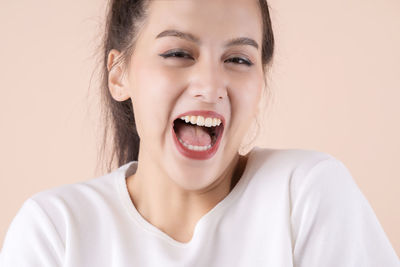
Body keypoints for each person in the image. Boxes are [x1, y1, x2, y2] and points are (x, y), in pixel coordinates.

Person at [1, 0, 399, 266]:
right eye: (178, 53)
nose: (210, 87)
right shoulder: (55, 231)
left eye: (239, 59)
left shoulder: (307, 193)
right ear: (119, 74)